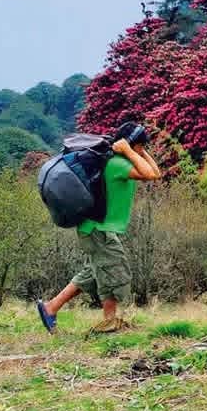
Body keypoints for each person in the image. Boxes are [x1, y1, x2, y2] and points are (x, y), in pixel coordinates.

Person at [37, 122, 162, 334]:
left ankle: (51, 308)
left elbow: (155, 173)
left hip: (96, 228)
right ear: (132, 146)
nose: (141, 151)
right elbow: (149, 175)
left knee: (93, 273)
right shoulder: (117, 164)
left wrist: (137, 150)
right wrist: (131, 151)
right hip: (98, 229)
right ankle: (110, 323)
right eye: (141, 146)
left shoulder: (121, 160)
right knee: (114, 271)